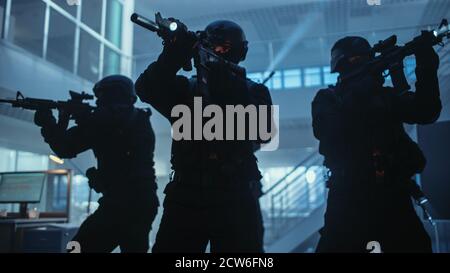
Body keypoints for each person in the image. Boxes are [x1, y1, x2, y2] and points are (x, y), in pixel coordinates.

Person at [135, 19, 273, 252]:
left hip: (235, 195)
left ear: (238, 53)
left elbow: (262, 133)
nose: (217, 53)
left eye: (223, 49)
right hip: (187, 195)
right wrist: (173, 55)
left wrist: (225, 80)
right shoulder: (186, 90)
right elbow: (146, 89)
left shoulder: (253, 91)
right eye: (213, 48)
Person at [312, 36, 441, 253]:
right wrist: (364, 88)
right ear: (342, 67)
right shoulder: (328, 99)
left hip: (392, 195)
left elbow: (426, 111)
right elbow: (328, 132)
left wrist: (425, 63)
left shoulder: (385, 97)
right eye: (356, 60)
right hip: (349, 197)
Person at [34, 75, 159, 253]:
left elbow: (64, 148)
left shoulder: (103, 122)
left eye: (101, 100)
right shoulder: (140, 119)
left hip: (119, 205)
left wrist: (49, 122)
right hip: (143, 203)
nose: (98, 105)